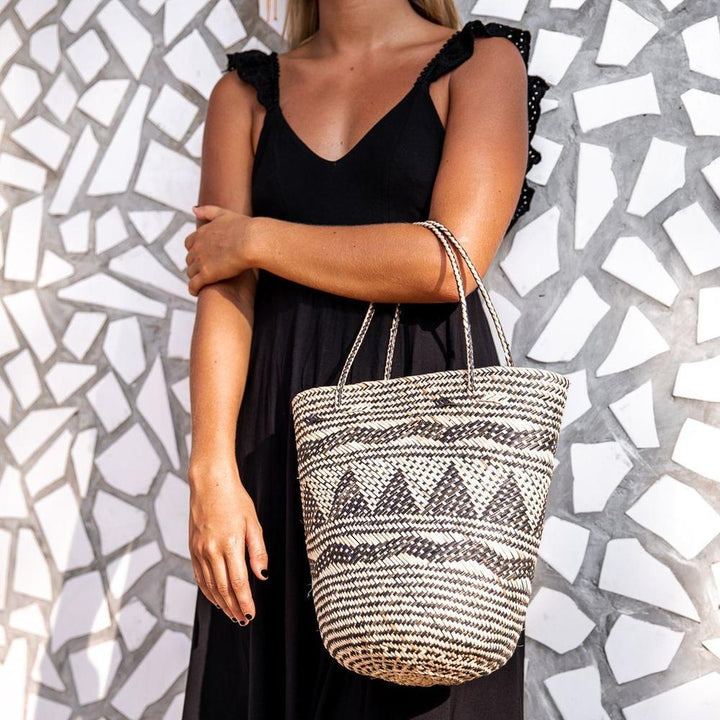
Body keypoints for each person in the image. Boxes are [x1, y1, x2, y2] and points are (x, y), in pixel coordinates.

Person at [180, 1, 548, 718]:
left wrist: (254, 239)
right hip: (272, 440)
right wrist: (210, 472)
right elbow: (224, 294)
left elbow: (449, 261)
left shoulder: (480, 65)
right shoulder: (243, 95)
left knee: (420, 673)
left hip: (425, 437)